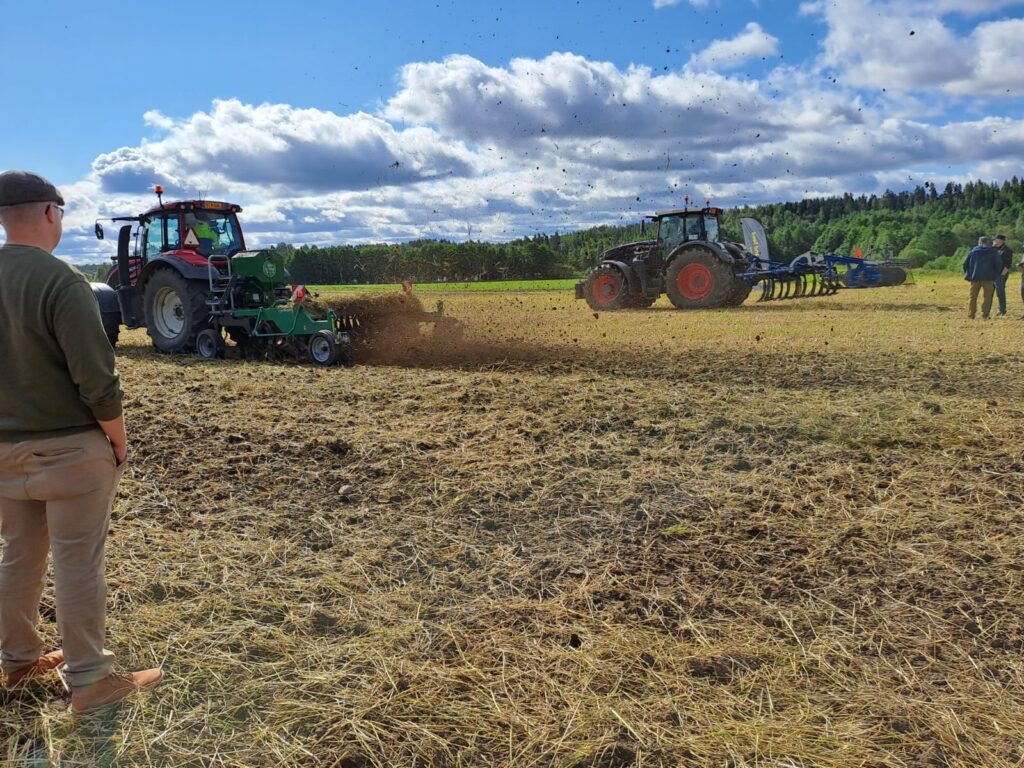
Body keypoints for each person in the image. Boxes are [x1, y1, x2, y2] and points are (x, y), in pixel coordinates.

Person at [0, 170, 161, 711]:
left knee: (18, 556)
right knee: (77, 560)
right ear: (50, 212)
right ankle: (90, 681)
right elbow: (97, 379)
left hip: (4, 452)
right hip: (69, 451)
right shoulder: (62, 281)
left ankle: (18, 663)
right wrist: (117, 439)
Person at [962, 235, 1002, 319]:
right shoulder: (993, 251)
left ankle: (971, 314)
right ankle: (985, 315)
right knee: (987, 297)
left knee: (973, 297)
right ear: (988, 242)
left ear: (979, 242)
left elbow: (965, 264)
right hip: (988, 278)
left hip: (975, 278)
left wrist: (969, 274)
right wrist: (996, 273)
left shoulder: (973, 251)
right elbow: (998, 264)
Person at [992, 234, 1013, 317]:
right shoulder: (993, 249)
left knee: (1000, 292)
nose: (995, 242)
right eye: (995, 240)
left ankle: (1002, 310)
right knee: (990, 293)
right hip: (991, 274)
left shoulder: (1007, 250)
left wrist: (1002, 275)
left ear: (1002, 241)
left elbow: (1008, 265)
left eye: (997, 240)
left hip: (1000, 274)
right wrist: (992, 247)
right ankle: (987, 310)